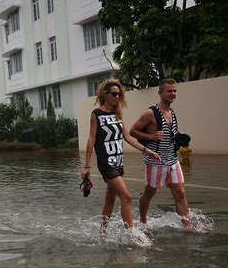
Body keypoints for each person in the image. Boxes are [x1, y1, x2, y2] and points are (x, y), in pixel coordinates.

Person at [81, 79, 161, 241]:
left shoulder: (116, 114)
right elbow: (91, 139)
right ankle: (132, 236)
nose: (117, 97)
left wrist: (146, 150)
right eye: (114, 94)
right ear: (105, 94)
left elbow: (127, 137)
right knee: (127, 197)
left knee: (110, 199)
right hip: (106, 162)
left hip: (118, 162)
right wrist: (87, 166)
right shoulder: (96, 114)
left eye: (119, 94)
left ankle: (102, 232)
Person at [129, 78, 193, 229]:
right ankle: (143, 222)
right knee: (149, 194)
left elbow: (171, 134)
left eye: (175, 91)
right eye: (169, 91)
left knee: (180, 194)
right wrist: (151, 137)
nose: (173, 94)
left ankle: (188, 226)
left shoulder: (172, 112)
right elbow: (132, 131)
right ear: (160, 93)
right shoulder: (150, 113)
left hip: (172, 160)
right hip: (155, 161)